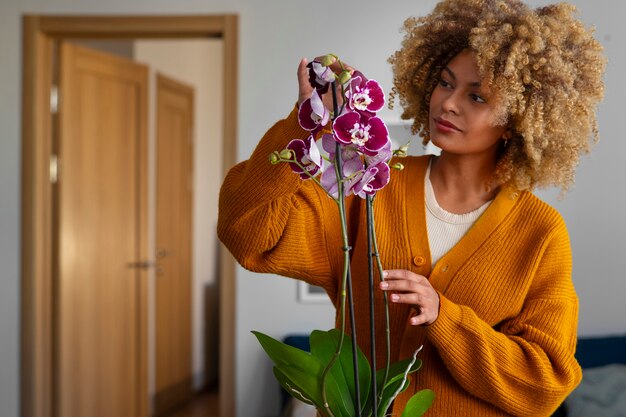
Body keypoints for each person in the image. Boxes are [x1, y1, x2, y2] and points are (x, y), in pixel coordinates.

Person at [217, 0, 606, 415]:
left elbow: (544, 385)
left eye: (476, 96)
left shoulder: (540, 232)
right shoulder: (369, 184)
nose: (449, 103)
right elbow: (247, 232)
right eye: (445, 82)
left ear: (516, 119)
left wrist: (446, 319)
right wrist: (307, 121)